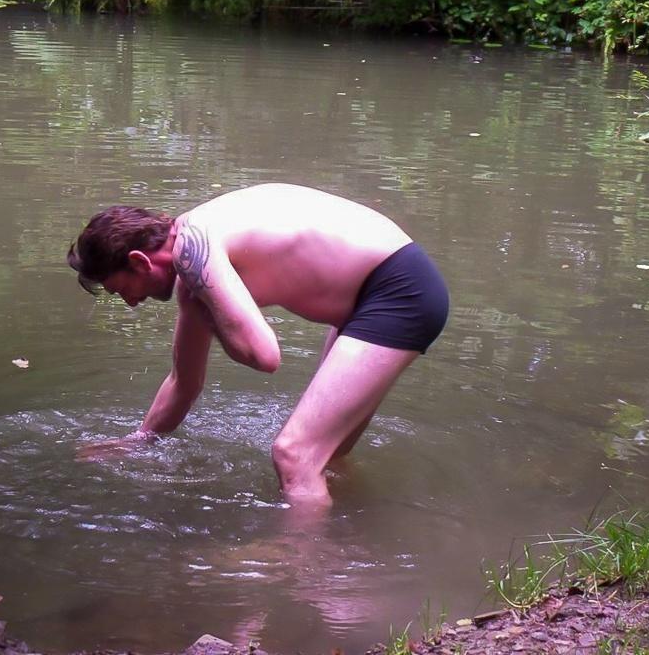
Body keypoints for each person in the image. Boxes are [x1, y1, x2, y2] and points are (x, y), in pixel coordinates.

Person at [68, 183, 449, 506]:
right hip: (374, 298)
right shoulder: (192, 263)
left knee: (294, 455)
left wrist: (210, 316)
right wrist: (138, 442)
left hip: (398, 291)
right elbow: (183, 383)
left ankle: (299, 560)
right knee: (327, 454)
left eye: (122, 289)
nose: (131, 302)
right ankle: (347, 524)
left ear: (139, 262)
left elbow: (265, 356)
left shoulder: (193, 249)